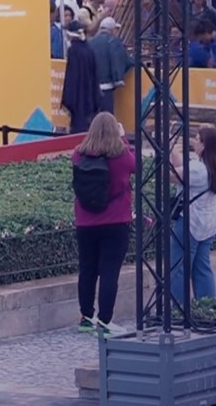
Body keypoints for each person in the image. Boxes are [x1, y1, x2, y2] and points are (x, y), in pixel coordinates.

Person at [71, 113, 136, 336]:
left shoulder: (78, 155)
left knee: (87, 269)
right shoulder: (122, 156)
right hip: (116, 221)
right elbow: (136, 164)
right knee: (109, 272)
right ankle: (105, 321)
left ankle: (85, 317)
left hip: (85, 222)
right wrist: (123, 138)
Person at [169, 126, 216, 307]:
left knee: (178, 268)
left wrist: (162, 155)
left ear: (204, 145)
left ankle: (178, 310)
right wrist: (172, 148)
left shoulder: (197, 170)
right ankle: (207, 309)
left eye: (197, 138)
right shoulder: (213, 165)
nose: (193, 141)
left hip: (190, 223)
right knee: (202, 269)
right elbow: (181, 169)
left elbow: (173, 175)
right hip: (208, 224)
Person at [62, 25, 102, 134]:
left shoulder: (73, 51)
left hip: (77, 100)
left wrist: (67, 101)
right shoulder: (90, 50)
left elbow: (71, 78)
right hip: (90, 98)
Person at [89, 17, 133, 114]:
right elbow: (126, 61)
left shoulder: (90, 42)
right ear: (112, 30)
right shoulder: (114, 42)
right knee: (106, 119)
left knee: (93, 121)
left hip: (90, 89)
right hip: (106, 88)